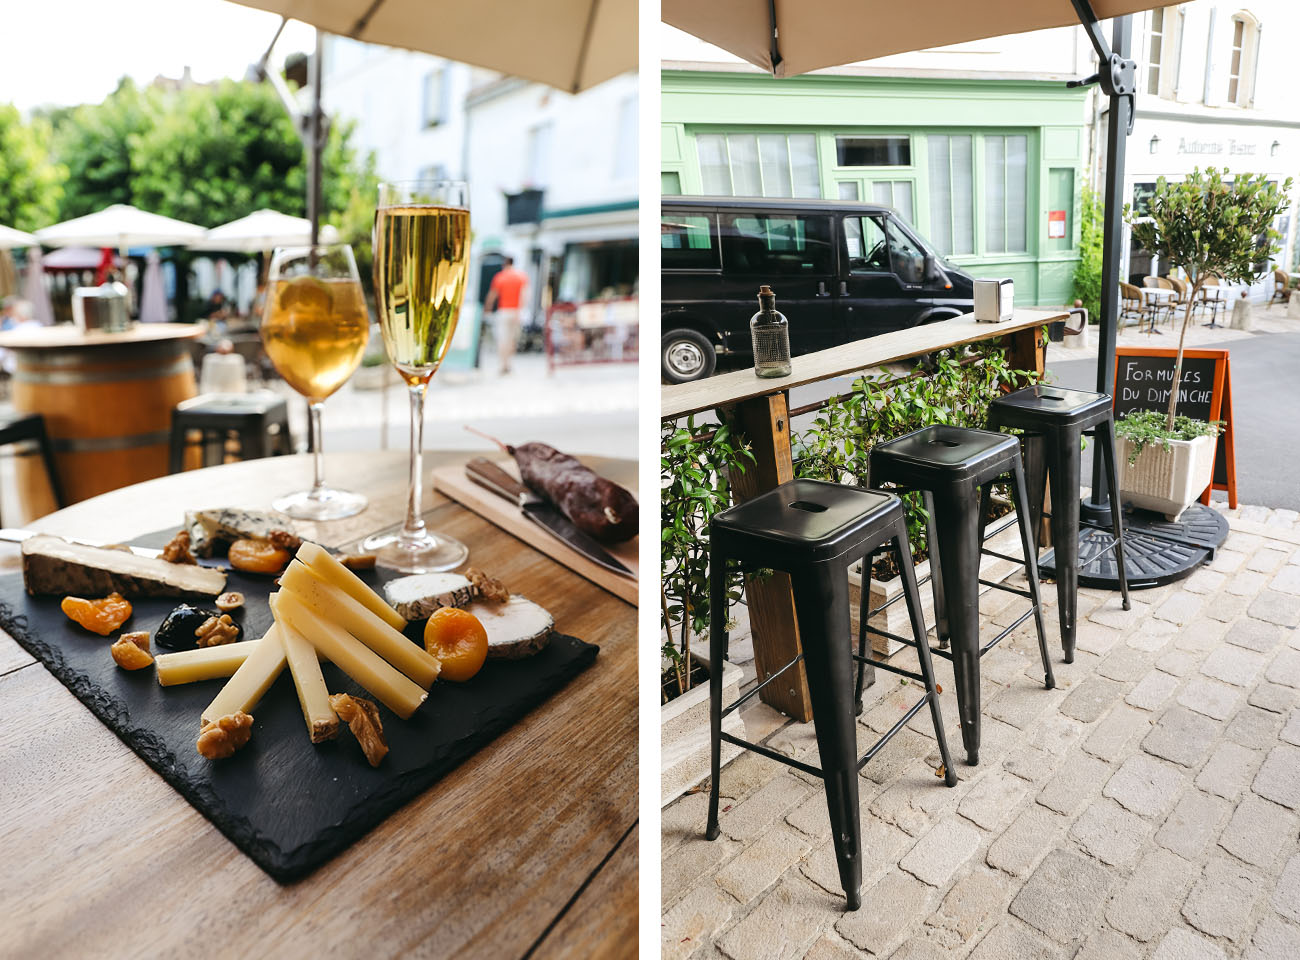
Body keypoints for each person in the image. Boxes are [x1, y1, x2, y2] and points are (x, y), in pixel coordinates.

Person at [483, 256, 528, 375]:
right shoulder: (521, 276)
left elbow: (492, 295)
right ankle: (509, 363)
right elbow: (525, 295)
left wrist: (487, 309)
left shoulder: (500, 277)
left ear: (504, 264)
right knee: (512, 339)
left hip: (504, 311)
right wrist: (520, 310)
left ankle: (503, 364)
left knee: (503, 339)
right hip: (516, 311)